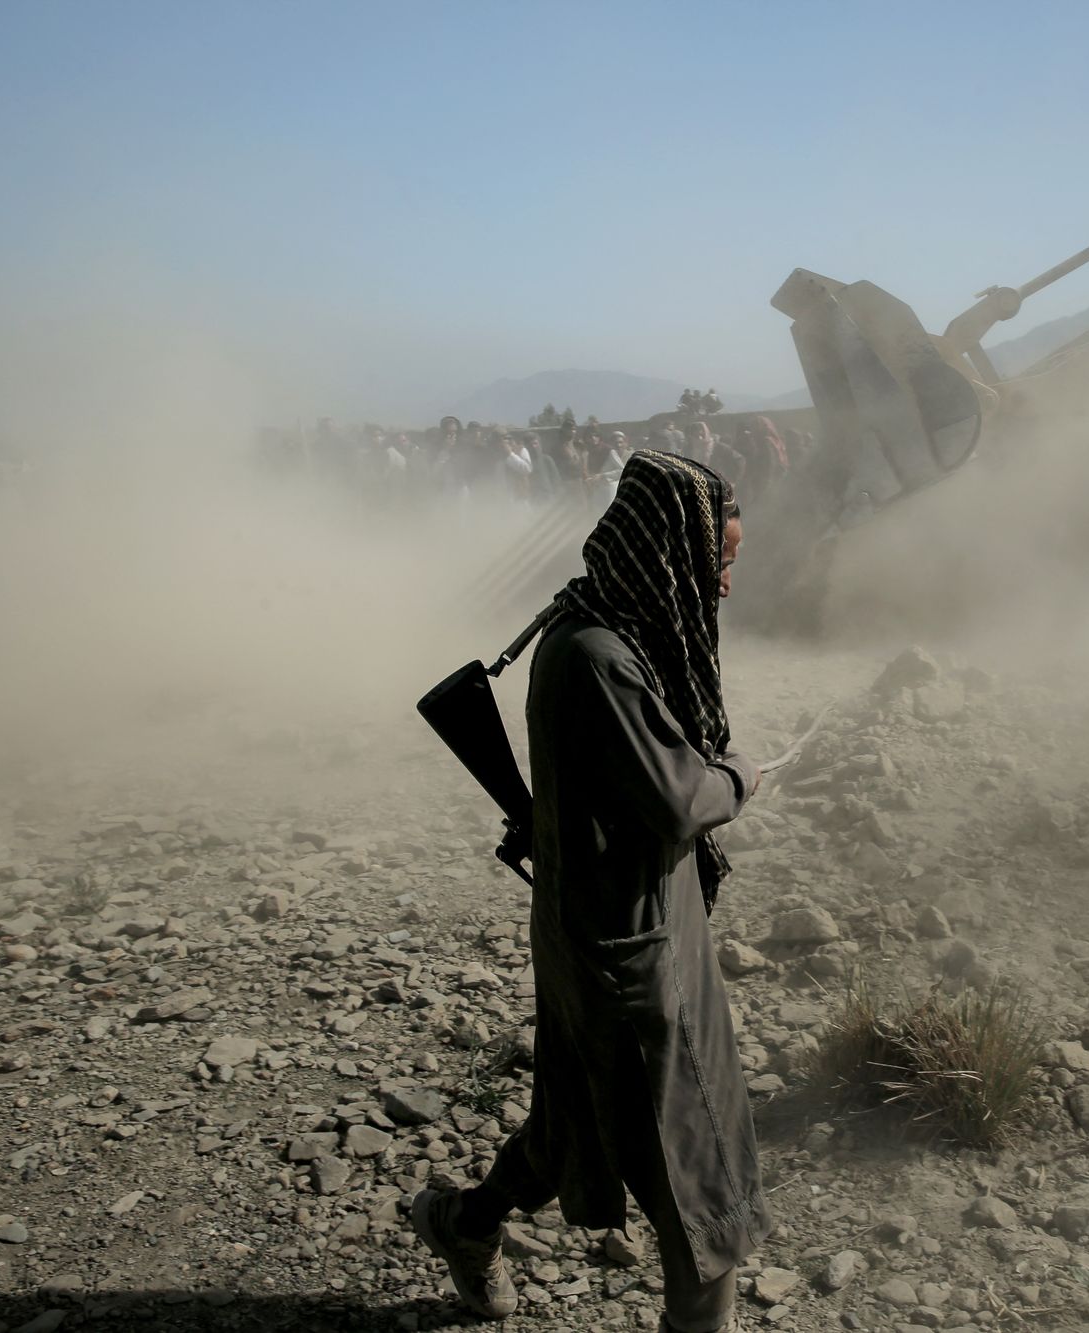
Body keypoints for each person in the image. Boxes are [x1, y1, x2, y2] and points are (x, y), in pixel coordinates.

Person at [410, 451, 766, 1333]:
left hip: (607, 926)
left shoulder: (591, 630)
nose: (723, 583)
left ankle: (463, 1222)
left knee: (567, 1124)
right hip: (633, 954)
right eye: (716, 560)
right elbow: (684, 799)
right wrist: (744, 775)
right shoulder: (602, 658)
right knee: (700, 1191)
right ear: (670, 549)